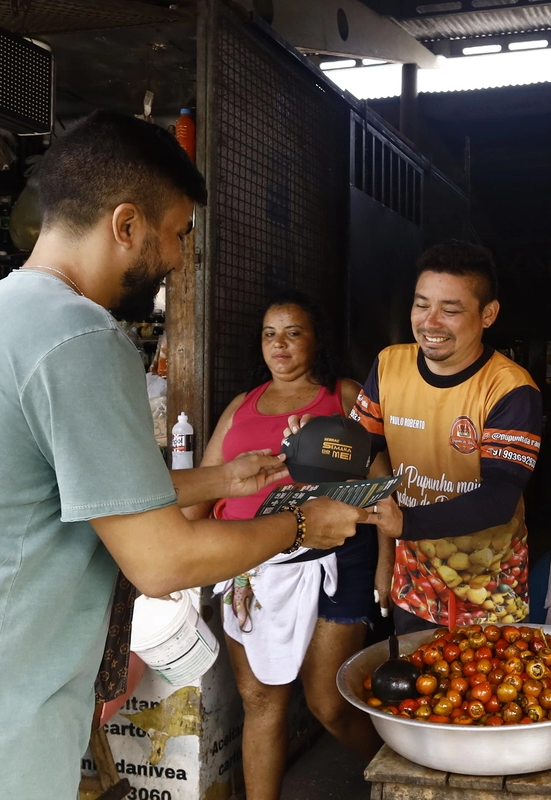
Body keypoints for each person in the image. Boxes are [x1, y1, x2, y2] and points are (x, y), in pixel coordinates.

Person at [0, 111, 368, 800]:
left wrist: (222, 477)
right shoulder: (79, 337)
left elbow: (70, 489)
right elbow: (162, 562)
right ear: (126, 225)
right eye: (176, 232)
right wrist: (305, 526)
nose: (178, 257)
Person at [182, 292, 383, 797]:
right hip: (249, 564)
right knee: (260, 701)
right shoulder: (240, 405)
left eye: (293, 332)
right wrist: (175, 550)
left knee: (328, 702)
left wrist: (387, 565)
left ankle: (396, 776)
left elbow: (380, 486)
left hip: (333, 556)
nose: (280, 344)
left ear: (316, 341)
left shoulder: (341, 397)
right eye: (270, 333)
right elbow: (204, 491)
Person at [352, 240, 543, 633]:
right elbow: (358, 446)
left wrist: (404, 522)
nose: (430, 321)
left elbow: (498, 499)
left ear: (487, 314)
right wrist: (311, 443)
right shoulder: (390, 365)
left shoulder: (510, 389)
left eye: (450, 310)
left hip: (491, 593)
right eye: (422, 305)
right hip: (415, 585)